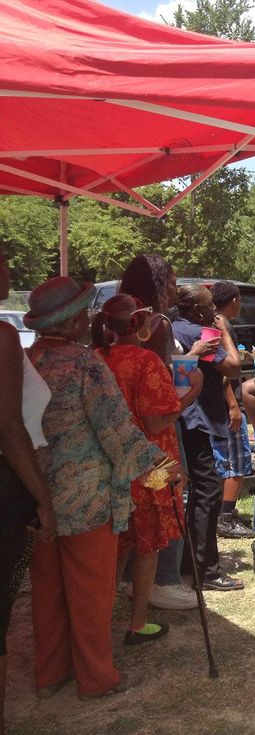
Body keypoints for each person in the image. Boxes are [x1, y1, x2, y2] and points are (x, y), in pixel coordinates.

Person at [25, 276, 179, 699]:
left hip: (35, 495)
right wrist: (161, 465)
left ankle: (49, 673)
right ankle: (96, 677)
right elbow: (117, 431)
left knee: (47, 591)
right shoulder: (84, 364)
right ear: (73, 320)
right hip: (86, 498)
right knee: (90, 593)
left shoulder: (28, 359)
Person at [92, 295, 202, 645]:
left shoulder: (97, 358)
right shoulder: (146, 361)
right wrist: (192, 392)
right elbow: (156, 421)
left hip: (112, 463)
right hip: (152, 464)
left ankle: (99, 625)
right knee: (147, 545)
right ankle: (136, 623)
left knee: (117, 546)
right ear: (140, 325)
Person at [118, 253, 198, 611]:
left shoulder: (118, 318)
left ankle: (131, 579)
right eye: (172, 282)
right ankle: (162, 580)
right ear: (158, 284)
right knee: (167, 497)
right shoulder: (157, 323)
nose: (176, 290)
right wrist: (191, 388)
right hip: (157, 433)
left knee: (134, 507)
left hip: (125, 433)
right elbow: (159, 387)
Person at [0, 248, 55, 732]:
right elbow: (9, 426)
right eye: (1, 260)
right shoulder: (2, 335)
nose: (9, 270)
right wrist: (41, 497)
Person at [172, 285, 244, 591]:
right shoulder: (203, 334)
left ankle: (189, 561)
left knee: (199, 492)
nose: (213, 311)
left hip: (183, 418)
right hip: (198, 420)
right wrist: (223, 330)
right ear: (198, 310)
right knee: (208, 492)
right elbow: (234, 367)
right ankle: (207, 570)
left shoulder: (173, 328)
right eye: (209, 306)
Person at [210, 281, 255, 540]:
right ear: (234, 300)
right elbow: (224, 372)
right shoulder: (221, 325)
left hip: (217, 406)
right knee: (235, 462)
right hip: (228, 405)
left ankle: (223, 512)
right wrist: (234, 405)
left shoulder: (214, 322)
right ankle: (226, 518)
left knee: (225, 461)